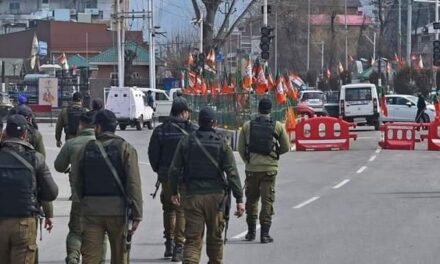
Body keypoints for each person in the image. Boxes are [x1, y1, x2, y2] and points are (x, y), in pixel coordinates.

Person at [169, 107, 245, 264]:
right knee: (215, 240)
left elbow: (174, 169)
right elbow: (232, 173)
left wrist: (174, 191)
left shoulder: (187, 141)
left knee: (192, 241)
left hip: (193, 197)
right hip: (217, 199)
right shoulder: (222, 143)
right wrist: (239, 199)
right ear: (214, 123)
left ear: (198, 122)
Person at [72, 109, 143, 264]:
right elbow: (133, 183)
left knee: (90, 257)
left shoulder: (84, 150)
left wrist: (85, 201)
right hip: (118, 213)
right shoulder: (126, 148)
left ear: (98, 127)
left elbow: (76, 180)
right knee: (120, 256)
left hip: (91, 212)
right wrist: (137, 214)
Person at [0, 114, 58, 264]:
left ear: (4, 134)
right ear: (25, 135)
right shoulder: (36, 158)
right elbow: (51, 193)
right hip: (24, 224)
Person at [54, 111, 107, 264]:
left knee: (76, 231)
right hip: (100, 198)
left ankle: (73, 257)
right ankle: (101, 260)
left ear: (81, 125)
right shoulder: (104, 143)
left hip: (78, 197)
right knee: (101, 234)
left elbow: (58, 166)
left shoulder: (72, 144)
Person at [148, 98, 196, 261]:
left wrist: (161, 172)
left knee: (168, 209)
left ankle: (169, 244)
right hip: (184, 178)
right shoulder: (191, 131)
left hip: (166, 177)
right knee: (180, 210)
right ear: (183, 112)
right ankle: (179, 247)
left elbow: (153, 155)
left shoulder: (161, 130)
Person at [238, 97, 290, 243]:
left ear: (258, 109)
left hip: (252, 170)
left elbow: (241, 148)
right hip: (269, 170)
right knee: (267, 201)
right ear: (270, 110)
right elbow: (286, 147)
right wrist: (274, 156)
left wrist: (248, 162)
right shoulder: (278, 126)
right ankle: (265, 234)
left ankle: (251, 233)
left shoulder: (247, 126)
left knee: (252, 200)